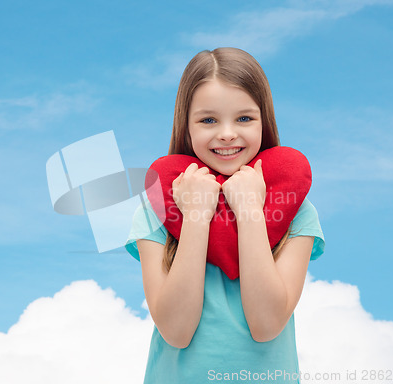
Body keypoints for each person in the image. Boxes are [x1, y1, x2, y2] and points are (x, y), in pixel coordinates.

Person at [125, 47, 325, 384]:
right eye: (208, 120)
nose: (228, 133)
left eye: (244, 118)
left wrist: (249, 211)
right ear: (186, 127)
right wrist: (197, 216)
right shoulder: (157, 209)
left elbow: (266, 325)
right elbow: (176, 331)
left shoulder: (297, 210)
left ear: (265, 121)